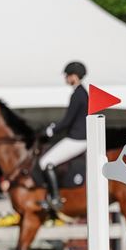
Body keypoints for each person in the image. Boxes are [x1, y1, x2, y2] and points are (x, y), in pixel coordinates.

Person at [37, 61, 89, 214]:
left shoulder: (77, 95)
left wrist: (50, 131)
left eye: (67, 75)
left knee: (45, 162)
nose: (66, 78)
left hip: (77, 139)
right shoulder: (82, 93)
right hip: (78, 137)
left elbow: (67, 121)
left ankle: (55, 198)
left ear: (74, 76)